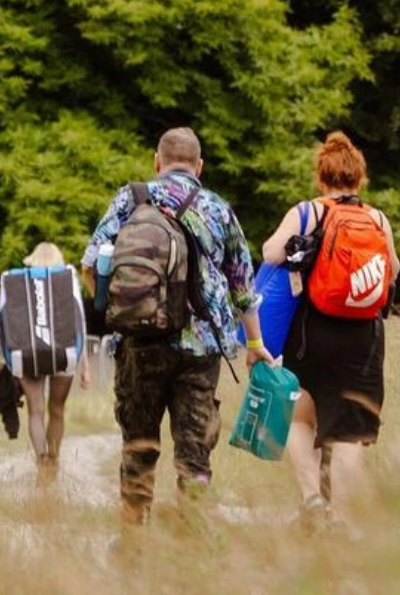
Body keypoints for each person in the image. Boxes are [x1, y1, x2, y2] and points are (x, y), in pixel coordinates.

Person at [82, 127, 272, 525]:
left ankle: (133, 541)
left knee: (138, 445)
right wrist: (254, 343)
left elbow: (91, 263)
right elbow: (243, 286)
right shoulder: (218, 209)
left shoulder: (130, 199)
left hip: (139, 342)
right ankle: (193, 545)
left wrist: (117, 305)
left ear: (157, 161)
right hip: (200, 350)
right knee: (194, 453)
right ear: (199, 166)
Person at [260, 132, 400, 527]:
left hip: (311, 333)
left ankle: (311, 501)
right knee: (349, 432)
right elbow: (394, 271)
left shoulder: (306, 212)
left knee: (299, 417)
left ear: (321, 177)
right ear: (360, 178)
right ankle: (339, 519)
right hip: (363, 335)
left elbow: (271, 252)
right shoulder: (377, 218)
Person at [17, 241, 91, 486]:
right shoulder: (68, 278)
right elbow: (79, 321)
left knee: (35, 411)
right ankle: (54, 459)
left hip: (29, 353)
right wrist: (84, 366)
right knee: (56, 409)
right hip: (64, 352)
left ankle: (42, 462)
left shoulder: (22, 280)